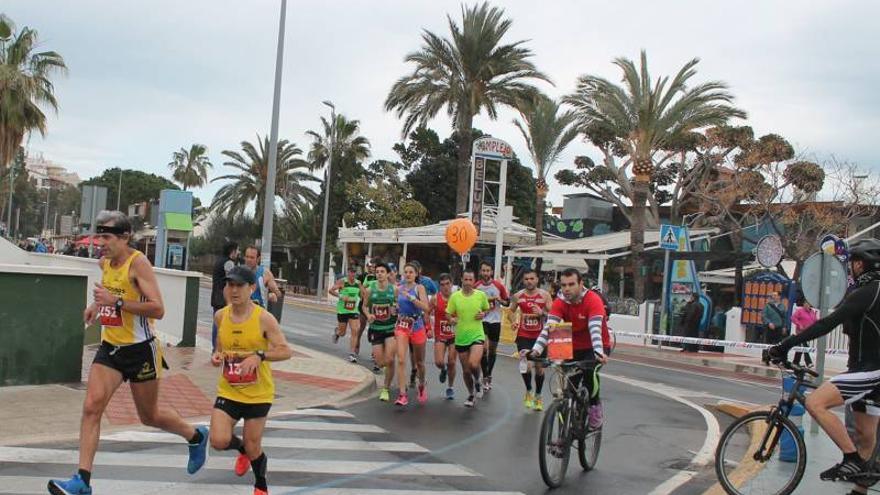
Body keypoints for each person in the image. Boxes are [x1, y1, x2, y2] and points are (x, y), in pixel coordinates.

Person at [48, 211, 208, 495]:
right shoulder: (105, 262)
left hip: (140, 351)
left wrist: (117, 302)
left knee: (149, 416)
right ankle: (82, 480)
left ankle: (195, 436)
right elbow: (107, 293)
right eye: (99, 236)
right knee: (91, 407)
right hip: (111, 348)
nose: (100, 242)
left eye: (106, 237)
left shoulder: (139, 264)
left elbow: (158, 308)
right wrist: (96, 308)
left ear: (125, 237)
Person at [768, 238, 880, 488]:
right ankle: (859, 488)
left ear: (861, 265)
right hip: (870, 374)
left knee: (815, 402)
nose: (850, 268)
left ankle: (849, 458)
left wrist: (784, 346)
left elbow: (824, 324)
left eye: (852, 263)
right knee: (865, 438)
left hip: (869, 371)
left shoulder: (866, 293)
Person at [210, 266, 292, 495]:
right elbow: (220, 347)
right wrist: (217, 355)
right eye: (230, 285)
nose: (233, 290)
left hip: (258, 393)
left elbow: (286, 351)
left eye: (239, 286)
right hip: (229, 390)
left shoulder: (264, 319)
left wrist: (260, 356)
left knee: (254, 445)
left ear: (252, 288)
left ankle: (260, 484)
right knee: (218, 440)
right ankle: (242, 450)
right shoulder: (220, 316)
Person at [527, 268, 611, 430]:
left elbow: (595, 330)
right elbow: (549, 328)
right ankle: (563, 435)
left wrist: (599, 352)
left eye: (571, 284)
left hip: (595, 345)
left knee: (589, 372)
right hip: (569, 342)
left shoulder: (593, 300)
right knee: (567, 391)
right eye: (564, 285)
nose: (567, 289)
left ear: (581, 284)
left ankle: (594, 406)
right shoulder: (560, 302)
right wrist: (535, 351)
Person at [509, 269, 552, 411]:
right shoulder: (518, 296)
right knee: (525, 365)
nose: (529, 281)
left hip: (540, 337)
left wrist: (542, 313)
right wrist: (513, 321)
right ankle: (528, 390)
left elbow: (553, 315)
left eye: (532, 278)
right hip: (523, 336)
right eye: (526, 279)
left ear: (537, 279)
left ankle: (538, 395)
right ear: (523, 281)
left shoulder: (545, 296)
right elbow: (511, 311)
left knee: (539, 369)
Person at [446, 270, 490, 408]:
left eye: (470, 280)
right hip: (461, 337)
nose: (468, 283)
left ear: (474, 281)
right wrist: (451, 319)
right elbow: (448, 313)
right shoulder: (455, 297)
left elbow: (486, 309)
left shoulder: (481, 295)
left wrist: (483, 314)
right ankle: (471, 394)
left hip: (477, 335)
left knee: (473, 364)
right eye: (466, 280)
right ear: (462, 280)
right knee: (466, 371)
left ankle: (478, 379)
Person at [393, 262, 431, 406]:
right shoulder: (399, 289)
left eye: (411, 272)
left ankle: (421, 384)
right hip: (402, 326)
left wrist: (412, 298)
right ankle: (402, 394)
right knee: (401, 360)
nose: (408, 274)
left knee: (420, 362)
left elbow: (426, 307)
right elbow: (396, 305)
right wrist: (394, 309)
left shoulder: (419, 288)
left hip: (417, 326)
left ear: (416, 274)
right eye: (406, 272)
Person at [362, 262, 398, 402]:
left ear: (388, 274)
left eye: (382, 271)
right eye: (377, 272)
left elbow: (397, 304)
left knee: (390, 359)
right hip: (376, 329)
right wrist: (368, 315)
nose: (379, 274)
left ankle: (386, 388)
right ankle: (387, 370)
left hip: (390, 329)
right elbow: (364, 306)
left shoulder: (394, 289)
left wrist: (396, 309)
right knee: (381, 362)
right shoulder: (370, 290)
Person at [475, 261, 509, 391]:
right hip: (482, 321)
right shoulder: (476, 286)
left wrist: (500, 300)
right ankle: (484, 376)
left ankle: (489, 374)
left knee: (492, 351)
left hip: (495, 321)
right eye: (483, 270)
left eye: (488, 270)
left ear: (491, 271)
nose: (485, 273)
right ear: (480, 271)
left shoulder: (498, 286)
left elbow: (507, 302)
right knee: (483, 348)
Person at [329, 267, 363, 363]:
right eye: (351, 272)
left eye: (354, 272)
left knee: (355, 331)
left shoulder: (358, 283)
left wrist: (362, 300)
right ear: (348, 272)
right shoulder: (342, 282)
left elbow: (363, 294)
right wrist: (341, 296)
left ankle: (352, 354)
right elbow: (331, 290)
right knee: (342, 333)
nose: (352, 274)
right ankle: (337, 333)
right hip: (342, 311)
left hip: (353, 311)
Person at [433, 273, 458, 400]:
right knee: (439, 361)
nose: (445, 287)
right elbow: (427, 311)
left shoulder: (458, 298)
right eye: (442, 285)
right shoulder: (435, 299)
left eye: (447, 284)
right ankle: (443, 370)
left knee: (452, 362)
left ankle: (450, 387)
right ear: (439, 286)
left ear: (452, 284)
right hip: (440, 333)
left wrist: (456, 319)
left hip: (455, 334)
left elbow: (465, 313)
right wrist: (427, 327)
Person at [211, 241, 240, 351]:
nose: (238, 252)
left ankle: (215, 349)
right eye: (237, 250)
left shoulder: (219, 260)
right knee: (221, 323)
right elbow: (232, 279)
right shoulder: (228, 263)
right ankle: (218, 349)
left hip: (216, 296)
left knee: (217, 322)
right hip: (223, 297)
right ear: (232, 251)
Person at [789, 299, 818, 367]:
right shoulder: (800, 311)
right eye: (806, 303)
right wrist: (799, 324)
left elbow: (815, 320)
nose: (807, 305)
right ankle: (808, 362)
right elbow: (793, 318)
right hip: (801, 332)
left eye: (808, 304)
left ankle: (795, 362)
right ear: (803, 304)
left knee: (801, 347)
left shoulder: (812, 312)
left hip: (808, 332)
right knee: (805, 346)